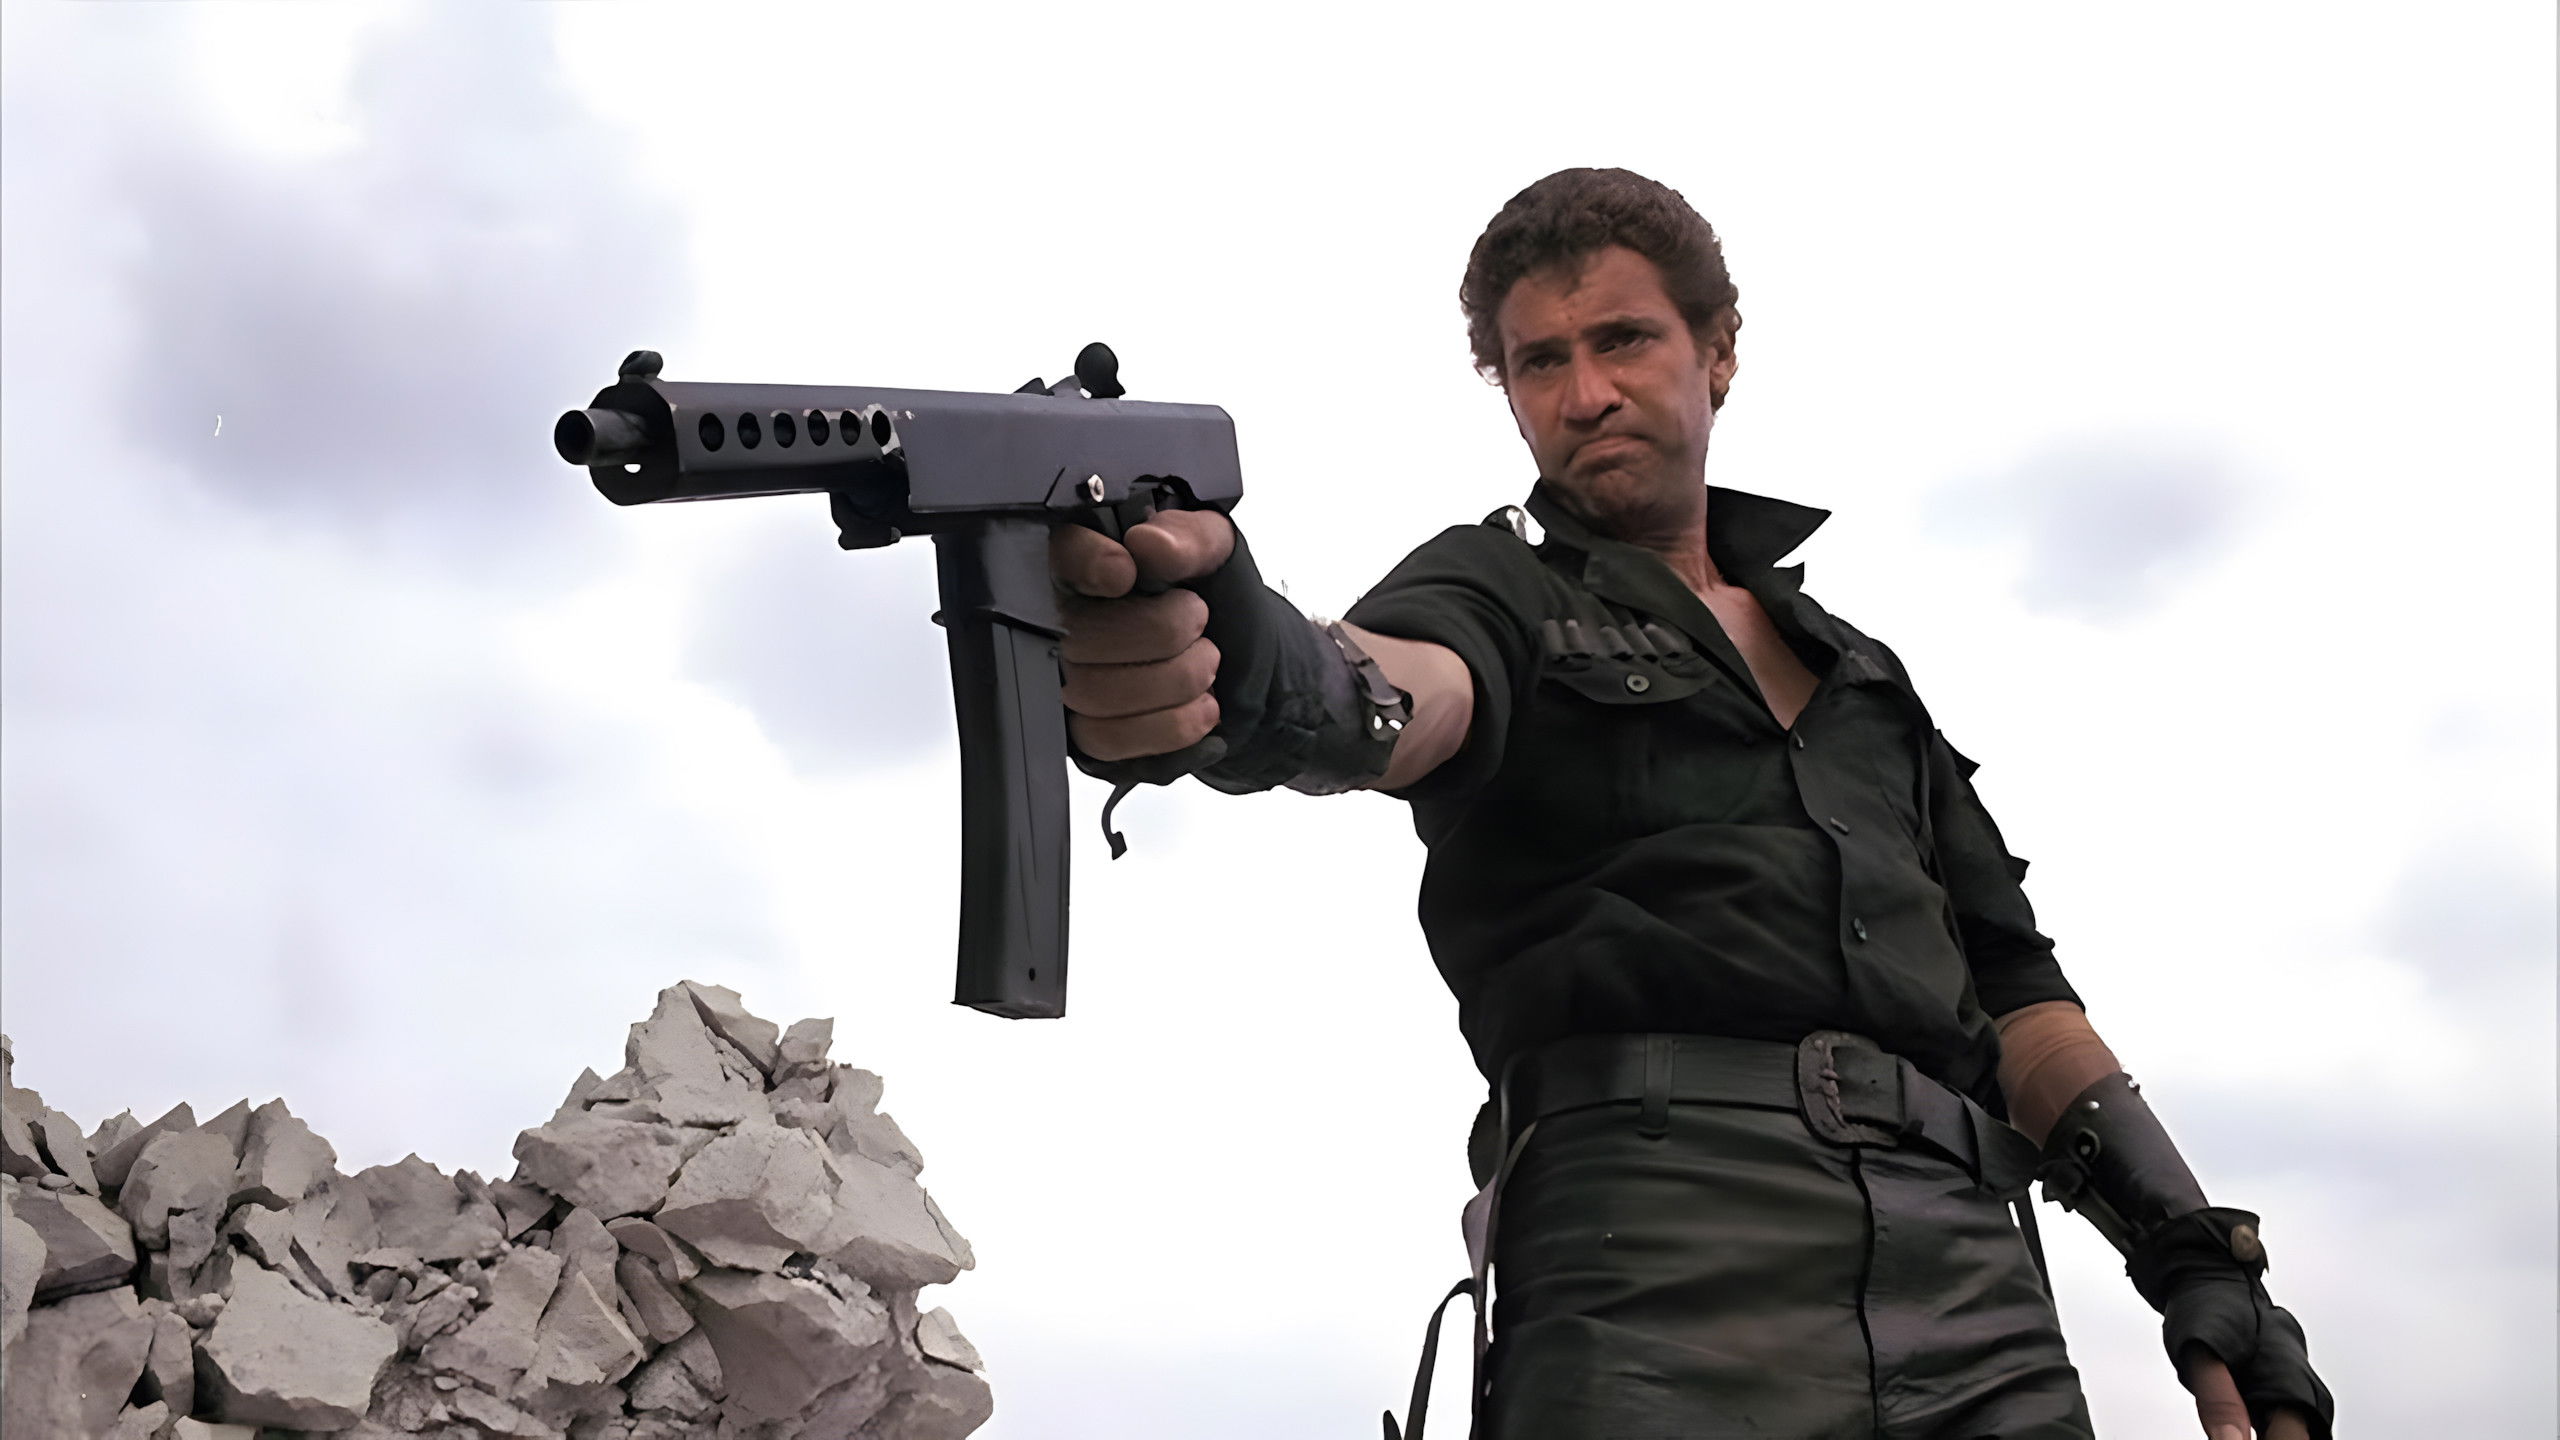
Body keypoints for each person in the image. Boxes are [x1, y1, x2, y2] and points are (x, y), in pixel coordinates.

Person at [1050, 168, 2330, 1440]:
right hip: (1651, 1272)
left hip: (1975, 1292)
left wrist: (2192, 1252)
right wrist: (1244, 663)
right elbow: (1393, 688)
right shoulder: (1498, 584)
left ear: (1717, 351)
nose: (1584, 393)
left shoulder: (1865, 679)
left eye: (1622, 340)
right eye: (1538, 362)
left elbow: (2016, 989)